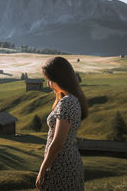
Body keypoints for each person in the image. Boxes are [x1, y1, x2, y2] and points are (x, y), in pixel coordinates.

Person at [36, 56, 89, 190]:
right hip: (65, 163)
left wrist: (42, 169)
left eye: (50, 80)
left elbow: (58, 142)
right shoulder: (72, 99)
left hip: (61, 165)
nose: (48, 84)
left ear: (59, 78)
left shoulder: (67, 102)